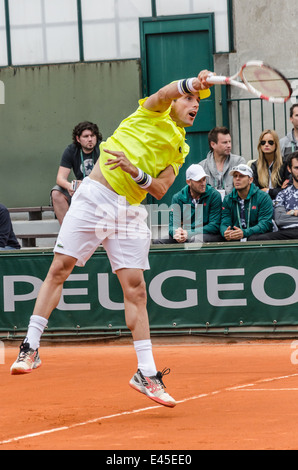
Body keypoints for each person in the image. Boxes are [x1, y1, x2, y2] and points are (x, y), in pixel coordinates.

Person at [10, 71, 214, 408]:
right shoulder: (149, 112)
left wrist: (136, 172)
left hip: (129, 211)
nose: (194, 105)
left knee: (136, 289)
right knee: (60, 268)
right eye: (189, 99)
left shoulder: (181, 146)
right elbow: (164, 92)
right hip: (94, 198)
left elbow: (161, 189)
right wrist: (192, 82)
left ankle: (146, 374)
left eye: (197, 103)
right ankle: (31, 347)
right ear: (177, 100)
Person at [154, 163, 223, 243]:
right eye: (198, 181)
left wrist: (189, 233)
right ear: (188, 182)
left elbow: (214, 226)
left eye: (204, 179)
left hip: (208, 234)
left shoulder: (214, 195)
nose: (203, 183)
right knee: (158, 241)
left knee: (195, 239)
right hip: (187, 234)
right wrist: (177, 234)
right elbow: (173, 225)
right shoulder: (178, 198)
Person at [50, 121, 102, 224]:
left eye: (92, 135)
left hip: (100, 188)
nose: (90, 139)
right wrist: (70, 186)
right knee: (56, 193)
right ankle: (66, 235)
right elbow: (60, 178)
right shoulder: (71, 150)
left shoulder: (103, 148)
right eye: (86, 136)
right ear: (78, 139)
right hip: (80, 188)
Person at [220, 164, 273, 242]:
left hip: (256, 236)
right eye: (235, 176)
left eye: (241, 176)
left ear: (250, 180)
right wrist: (226, 232)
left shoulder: (263, 197)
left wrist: (244, 233)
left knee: (254, 239)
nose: (237, 179)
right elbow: (224, 221)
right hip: (235, 236)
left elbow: (265, 224)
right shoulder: (228, 199)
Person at [252, 152, 298, 240]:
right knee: (256, 239)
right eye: (296, 168)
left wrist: (293, 212)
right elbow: (280, 219)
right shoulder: (283, 194)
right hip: (286, 232)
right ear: (289, 169)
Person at [199, 126, 246, 198]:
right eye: (225, 143)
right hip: (210, 207)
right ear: (213, 144)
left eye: (229, 142)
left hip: (233, 206)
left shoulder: (239, 162)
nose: (229, 145)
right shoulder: (201, 166)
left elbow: (244, 190)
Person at [251, 129, 290, 200]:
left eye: (270, 142)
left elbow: (288, 190)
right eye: (263, 142)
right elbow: (253, 191)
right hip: (261, 203)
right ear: (260, 145)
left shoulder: (285, 163)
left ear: (276, 145)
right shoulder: (255, 165)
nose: (266, 144)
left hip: (281, 202)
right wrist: (278, 190)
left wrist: (268, 191)